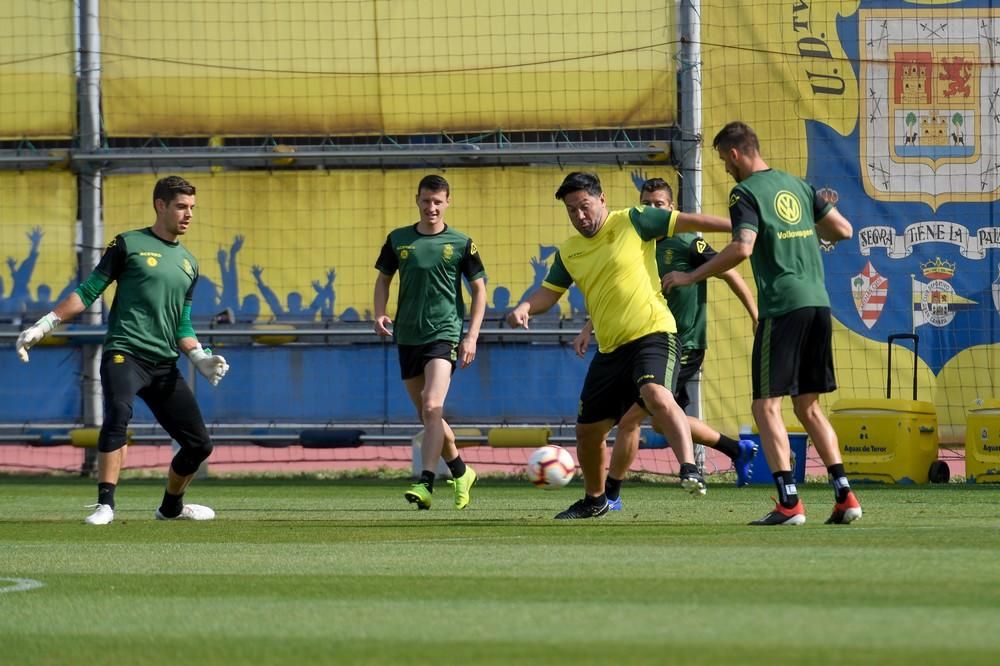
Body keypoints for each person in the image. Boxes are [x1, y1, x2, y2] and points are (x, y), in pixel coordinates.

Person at [662, 121, 862, 526]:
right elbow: (843, 229)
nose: (725, 170)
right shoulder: (798, 185)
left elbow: (742, 246)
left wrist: (689, 276)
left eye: (723, 161)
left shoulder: (745, 192)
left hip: (783, 307)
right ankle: (845, 496)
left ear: (735, 154)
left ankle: (789, 502)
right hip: (818, 304)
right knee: (808, 406)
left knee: (765, 406)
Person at [507, 171, 732, 519]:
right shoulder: (570, 251)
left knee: (657, 395)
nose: (579, 216)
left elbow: (692, 220)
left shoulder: (634, 220)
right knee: (588, 431)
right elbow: (548, 295)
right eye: (571, 211)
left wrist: (741, 226)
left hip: (653, 334)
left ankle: (689, 468)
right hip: (611, 350)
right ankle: (596, 500)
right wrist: (525, 306)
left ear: (602, 199)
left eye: (584, 207)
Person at [15, 176, 230, 526]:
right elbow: (88, 292)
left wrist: (199, 357)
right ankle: (105, 505)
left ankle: (171, 509)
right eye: (181, 207)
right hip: (125, 353)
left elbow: (182, 323)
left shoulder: (190, 264)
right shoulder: (128, 244)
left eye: (191, 208)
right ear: (160, 205)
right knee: (118, 412)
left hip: (164, 365)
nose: (188, 214)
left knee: (199, 446)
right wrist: (44, 325)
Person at [572, 177, 760, 511]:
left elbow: (730, 272)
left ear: (670, 208)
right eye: (647, 203)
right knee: (658, 420)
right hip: (642, 345)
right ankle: (736, 449)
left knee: (631, 420)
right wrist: (590, 326)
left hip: (681, 343)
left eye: (659, 204)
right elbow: (621, 291)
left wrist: (754, 313)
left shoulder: (689, 244)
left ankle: (610, 495)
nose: (651, 209)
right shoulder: (639, 241)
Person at [374, 174, 485, 511]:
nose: (431, 207)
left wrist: (471, 336)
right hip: (407, 336)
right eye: (426, 201)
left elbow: (480, 290)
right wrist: (379, 312)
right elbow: (383, 280)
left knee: (433, 405)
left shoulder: (461, 243)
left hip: (444, 334)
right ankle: (461, 472)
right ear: (417, 200)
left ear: (448, 202)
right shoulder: (398, 240)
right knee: (428, 415)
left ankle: (425, 482)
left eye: (438, 201)